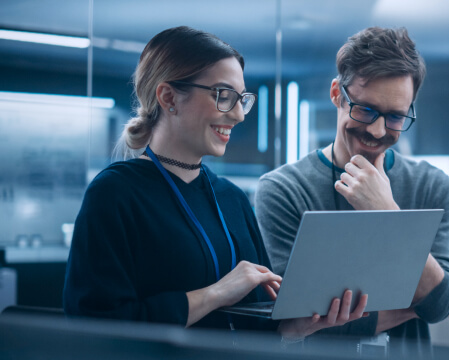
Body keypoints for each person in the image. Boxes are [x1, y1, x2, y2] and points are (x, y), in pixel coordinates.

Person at [63, 26, 367, 339]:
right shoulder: (115, 194)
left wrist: (297, 327)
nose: (238, 115)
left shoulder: (231, 198)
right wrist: (216, 293)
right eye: (224, 96)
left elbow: (258, 329)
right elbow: (95, 326)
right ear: (169, 97)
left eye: (242, 100)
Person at [255, 26, 449, 349]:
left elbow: (441, 303)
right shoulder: (282, 190)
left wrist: (387, 212)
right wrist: (416, 305)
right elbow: (292, 318)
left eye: (395, 117)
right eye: (365, 110)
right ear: (337, 94)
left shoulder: (433, 186)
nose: (378, 131)